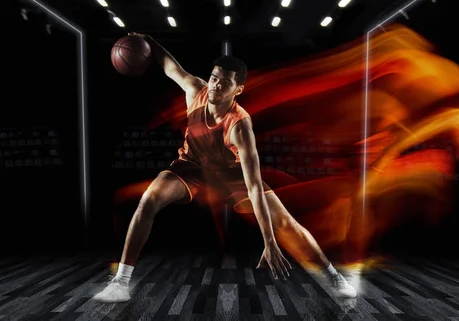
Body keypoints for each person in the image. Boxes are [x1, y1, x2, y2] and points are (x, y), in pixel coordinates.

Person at [94, 33, 357, 303]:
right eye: (214, 78)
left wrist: (268, 241)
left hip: (231, 176)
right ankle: (120, 283)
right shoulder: (196, 90)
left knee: (285, 222)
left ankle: (335, 278)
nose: (216, 86)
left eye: (225, 83)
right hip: (191, 166)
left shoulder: (240, 125)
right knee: (149, 199)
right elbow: (169, 65)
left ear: (238, 89)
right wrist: (146, 39)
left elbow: (254, 186)